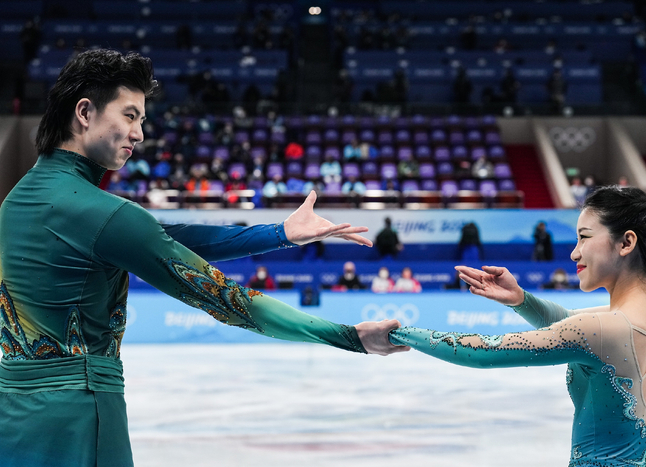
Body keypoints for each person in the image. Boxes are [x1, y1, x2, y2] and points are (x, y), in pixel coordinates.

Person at [0, 49, 407, 467]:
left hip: (12, 415)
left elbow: (161, 238)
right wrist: (349, 337)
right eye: (130, 115)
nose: (139, 133)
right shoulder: (102, 214)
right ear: (85, 112)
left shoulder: (16, 202)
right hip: (81, 417)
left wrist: (280, 234)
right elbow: (227, 298)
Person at [389, 186, 646, 466]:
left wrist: (397, 333)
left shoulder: (602, 328)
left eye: (584, 237)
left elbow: (482, 351)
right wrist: (520, 299)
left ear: (626, 243)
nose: (575, 253)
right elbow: (571, 321)